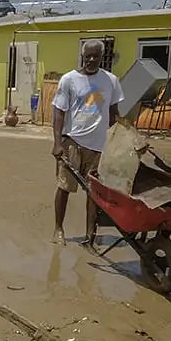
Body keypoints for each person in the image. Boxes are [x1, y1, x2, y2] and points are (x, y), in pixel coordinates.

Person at [51, 39, 125, 247]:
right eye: (88, 56)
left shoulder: (111, 81)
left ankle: (89, 235)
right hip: (72, 142)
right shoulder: (69, 80)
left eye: (96, 56)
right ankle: (58, 228)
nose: (91, 59)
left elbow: (114, 114)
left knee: (94, 193)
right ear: (83, 56)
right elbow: (58, 112)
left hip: (98, 147)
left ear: (103, 57)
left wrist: (122, 140)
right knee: (64, 187)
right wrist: (57, 143)